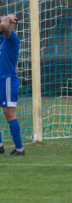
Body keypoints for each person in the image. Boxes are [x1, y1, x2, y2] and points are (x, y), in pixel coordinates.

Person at [0, 14, 25, 156]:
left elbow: (3, 26)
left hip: (8, 80)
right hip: (0, 80)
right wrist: (4, 16)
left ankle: (19, 149)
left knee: (9, 114)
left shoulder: (12, 38)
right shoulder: (2, 38)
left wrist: (6, 19)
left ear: (12, 25)